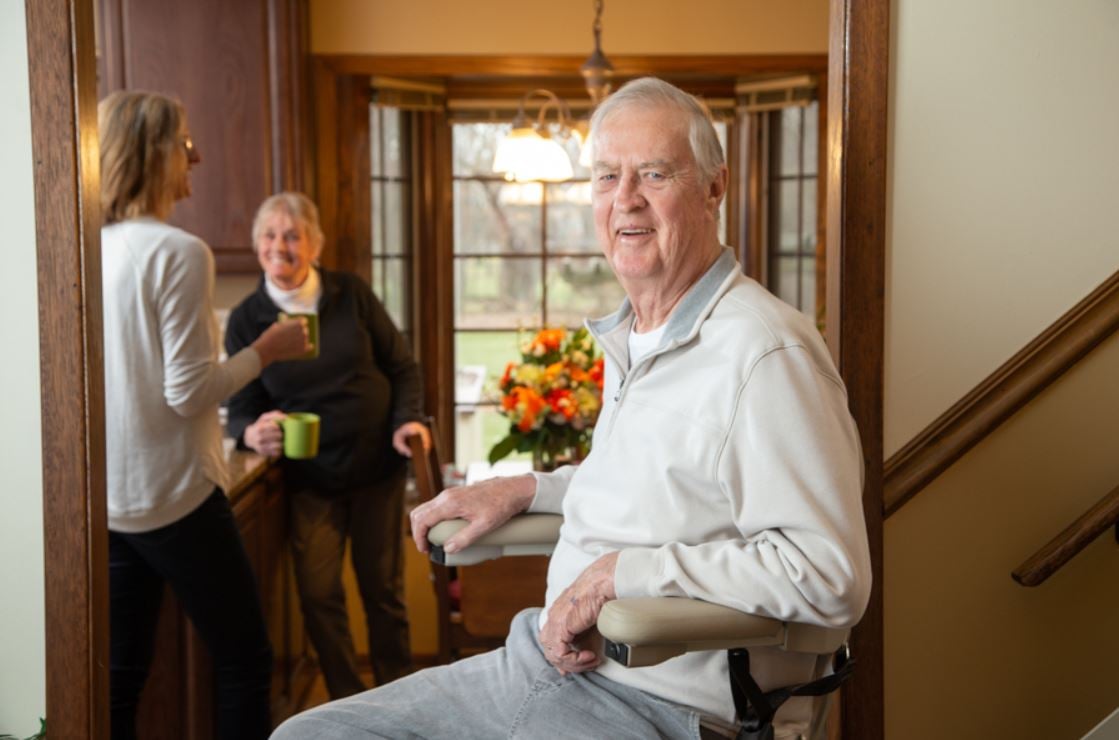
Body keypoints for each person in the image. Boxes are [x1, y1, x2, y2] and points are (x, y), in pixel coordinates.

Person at [271, 77, 871, 740]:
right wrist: (530, 488)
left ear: (713, 188)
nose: (626, 199)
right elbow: (666, 489)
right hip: (540, 663)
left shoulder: (763, 352)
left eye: (653, 173)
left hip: (652, 703)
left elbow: (828, 572)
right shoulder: (640, 334)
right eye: (607, 176)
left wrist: (622, 575)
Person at [100, 91, 310, 740]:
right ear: (154, 152)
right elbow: (189, 392)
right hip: (176, 494)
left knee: (121, 674)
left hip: (108, 500)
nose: (196, 156)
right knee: (246, 659)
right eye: (184, 142)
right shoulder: (179, 252)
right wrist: (266, 349)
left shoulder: (89, 247)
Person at [224, 192, 430, 700]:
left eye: (293, 235)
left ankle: (399, 701)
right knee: (318, 596)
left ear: (314, 244)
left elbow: (402, 366)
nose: (281, 246)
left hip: (376, 468)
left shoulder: (350, 294)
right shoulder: (247, 319)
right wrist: (250, 431)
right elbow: (242, 403)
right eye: (270, 235)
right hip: (310, 480)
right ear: (256, 246)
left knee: (383, 594)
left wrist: (406, 421)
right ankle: (350, 706)